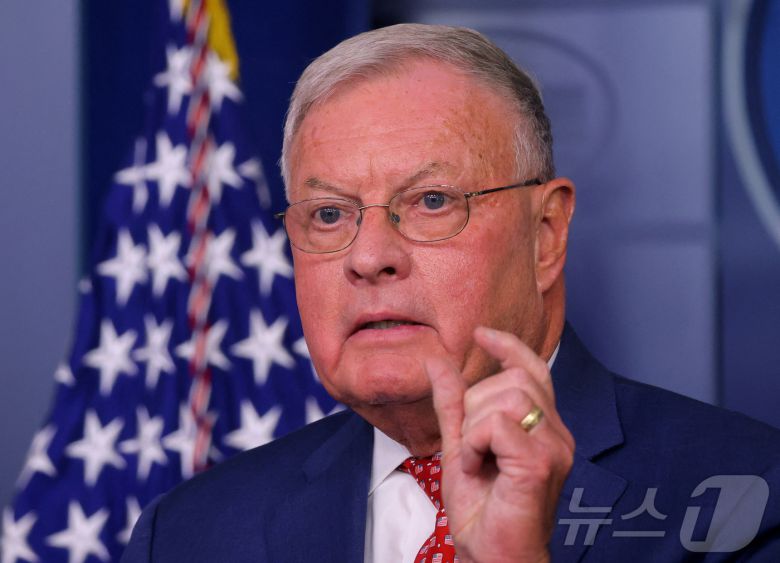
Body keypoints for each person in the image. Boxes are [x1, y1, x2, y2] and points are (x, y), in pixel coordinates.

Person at [123, 24, 780, 562]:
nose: (369, 258)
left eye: (432, 201)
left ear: (545, 235)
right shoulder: (187, 535)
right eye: (328, 214)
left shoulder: (747, 496)